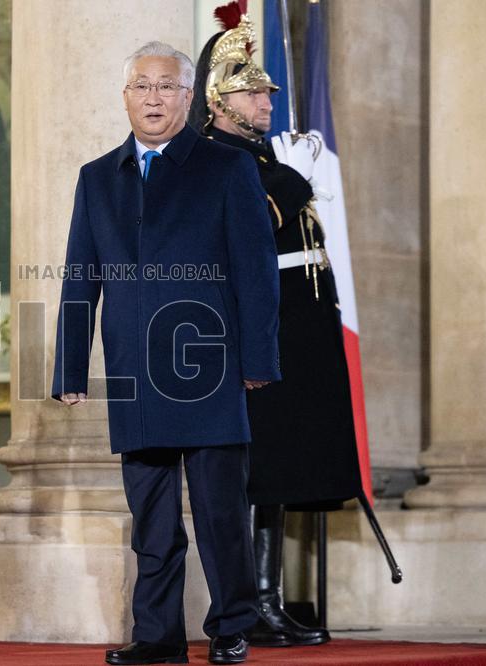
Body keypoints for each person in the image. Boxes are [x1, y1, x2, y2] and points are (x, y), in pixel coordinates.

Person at [51, 41, 281, 666]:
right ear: (126, 97)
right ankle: (158, 636)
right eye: (141, 86)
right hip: (134, 374)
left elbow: (257, 273)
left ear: (187, 97)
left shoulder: (227, 169)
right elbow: (79, 278)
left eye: (166, 86)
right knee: (151, 520)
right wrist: (70, 366)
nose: (153, 98)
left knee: (220, 514)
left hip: (209, 366)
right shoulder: (97, 178)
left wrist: (258, 361)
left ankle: (232, 626)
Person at [187, 2, 365, 648]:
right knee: (256, 474)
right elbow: (248, 233)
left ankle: (269, 598)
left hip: (296, 330)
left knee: (282, 471)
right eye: (254, 93)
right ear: (218, 98)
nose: (268, 103)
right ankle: (249, 603)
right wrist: (289, 189)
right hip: (254, 334)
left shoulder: (259, 160)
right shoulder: (213, 161)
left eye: (267, 93)